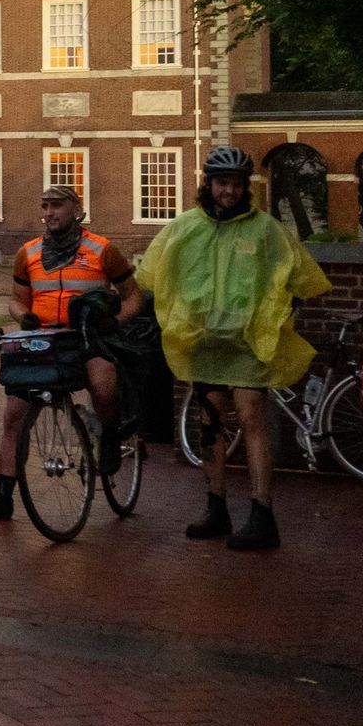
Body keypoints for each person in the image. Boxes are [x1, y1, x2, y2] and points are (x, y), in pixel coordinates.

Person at [139, 146, 331, 552]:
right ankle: (216, 506)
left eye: (237, 184)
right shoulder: (184, 227)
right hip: (202, 343)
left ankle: (262, 514)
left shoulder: (265, 230)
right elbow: (154, 274)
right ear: (208, 184)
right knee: (210, 424)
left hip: (247, 346)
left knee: (251, 418)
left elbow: (300, 278)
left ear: (247, 188)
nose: (229, 191)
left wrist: (275, 315)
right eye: (222, 183)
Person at [0, 184, 143, 521]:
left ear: (77, 210)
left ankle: (108, 436)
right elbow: (16, 300)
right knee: (13, 415)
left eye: (57, 205)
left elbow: (134, 295)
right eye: (45, 205)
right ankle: (2, 497)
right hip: (43, 341)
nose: (50, 212)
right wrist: (24, 316)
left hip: (86, 338)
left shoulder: (102, 250)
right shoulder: (28, 253)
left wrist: (114, 321)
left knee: (104, 383)